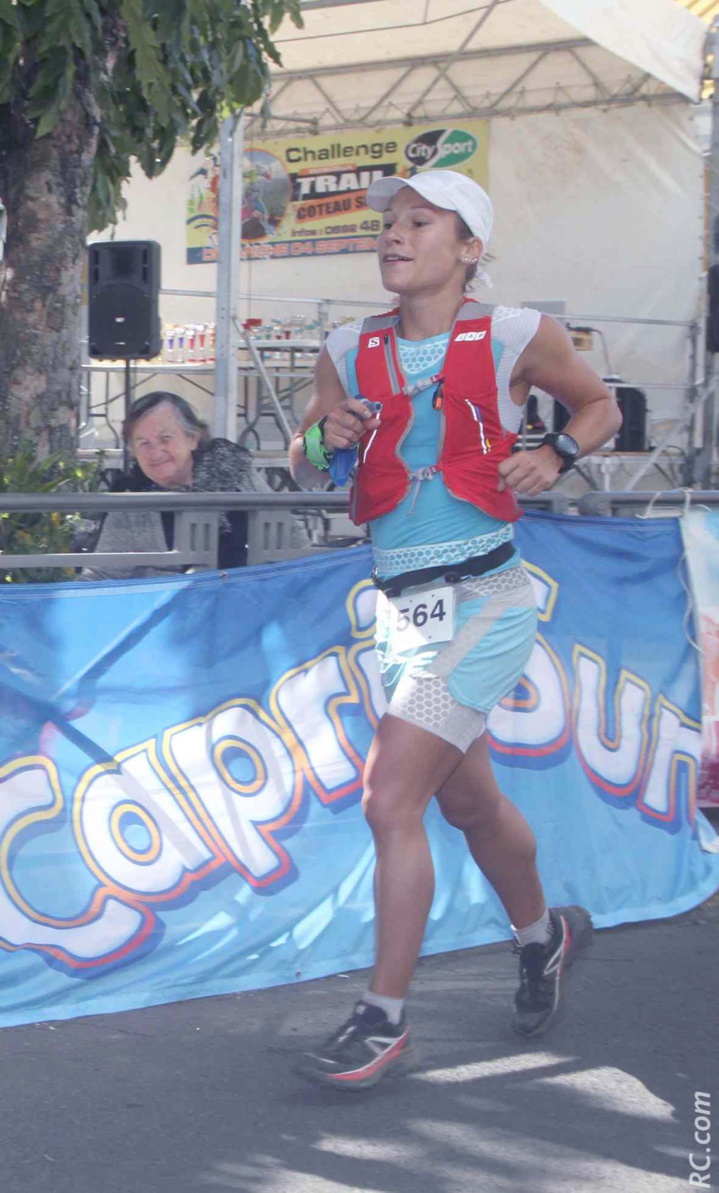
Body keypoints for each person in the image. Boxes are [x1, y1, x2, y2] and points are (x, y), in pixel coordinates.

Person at [289, 168, 622, 1090]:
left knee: (389, 799)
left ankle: (382, 1019)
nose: (394, 235)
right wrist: (330, 436)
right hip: (400, 614)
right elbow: (301, 451)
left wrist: (553, 450)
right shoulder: (346, 346)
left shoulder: (518, 332)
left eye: (419, 221)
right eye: (389, 222)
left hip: (486, 603)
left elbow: (602, 406)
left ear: (467, 247)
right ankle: (541, 934)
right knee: (467, 804)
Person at [81, 391, 297, 579]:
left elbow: (291, 544)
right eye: (143, 444)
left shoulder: (233, 472)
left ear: (193, 438)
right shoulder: (133, 502)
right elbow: (102, 575)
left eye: (165, 438)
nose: (155, 452)